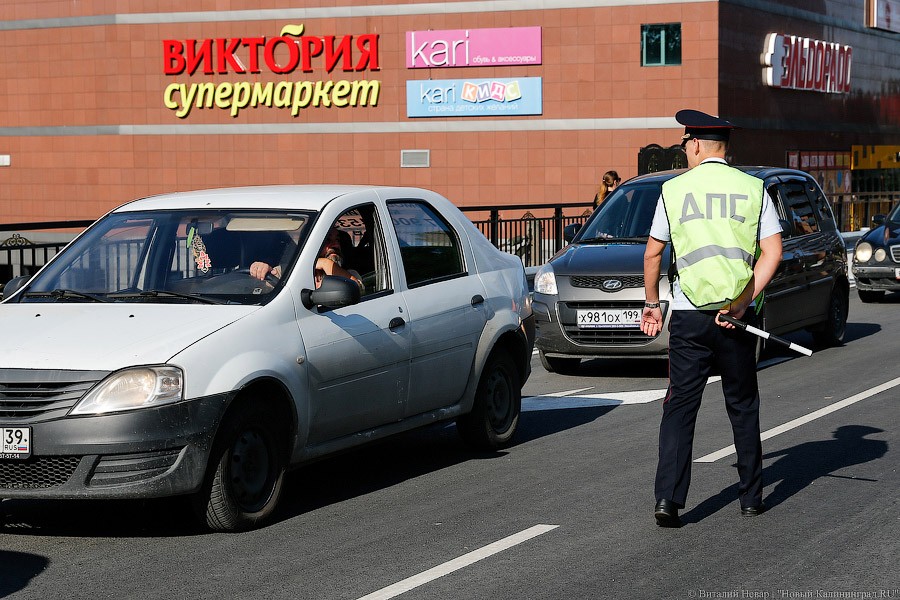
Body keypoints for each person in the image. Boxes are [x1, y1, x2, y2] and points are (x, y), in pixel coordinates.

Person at [640, 109, 783, 527]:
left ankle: (668, 500)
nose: (685, 150)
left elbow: (652, 253)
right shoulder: (755, 189)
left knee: (680, 407)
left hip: (688, 316)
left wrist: (652, 304)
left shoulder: (673, 190)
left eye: (686, 144)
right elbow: (772, 252)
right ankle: (751, 498)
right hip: (735, 318)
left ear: (697, 144)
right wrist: (742, 301)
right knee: (742, 405)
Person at [249, 226, 362, 290]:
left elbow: (356, 289)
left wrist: (326, 263)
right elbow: (260, 291)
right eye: (328, 240)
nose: (336, 245)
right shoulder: (289, 271)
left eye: (337, 240)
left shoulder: (349, 273)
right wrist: (259, 269)